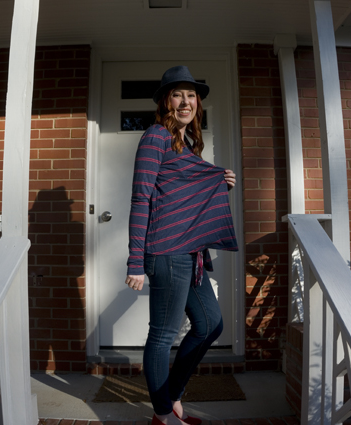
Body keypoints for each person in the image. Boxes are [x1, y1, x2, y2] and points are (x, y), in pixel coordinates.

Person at [125, 66, 238, 425]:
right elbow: (142, 199)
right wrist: (134, 263)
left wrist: (219, 185)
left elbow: (184, 194)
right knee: (162, 335)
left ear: (198, 103)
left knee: (210, 325)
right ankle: (162, 414)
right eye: (178, 94)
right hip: (166, 252)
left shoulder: (188, 144)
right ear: (165, 101)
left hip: (191, 254)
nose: (185, 101)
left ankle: (170, 396)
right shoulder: (155, 136)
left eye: (191, 95)